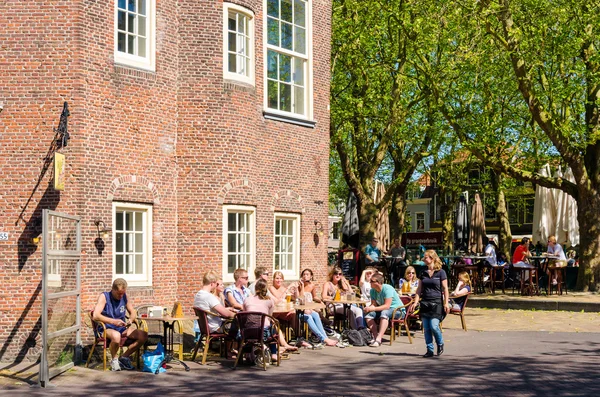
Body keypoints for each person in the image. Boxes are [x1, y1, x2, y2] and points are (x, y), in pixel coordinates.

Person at [93, 278, 148, 371]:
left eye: (123, 293)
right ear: (113, 289)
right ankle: (114, 360)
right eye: (119, 294)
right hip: (107, 328)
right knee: (116, 336)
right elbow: (95, 315)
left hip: (122, 328)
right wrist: (113, 321)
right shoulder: (104, 296)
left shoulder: (124, 296)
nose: (121, 296)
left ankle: (123, 358)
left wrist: (130, 319)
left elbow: (133, 311)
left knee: (143, 335)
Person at [243, 279, 299, 361]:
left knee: (267, 325)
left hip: (247, 333)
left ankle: (248, 353)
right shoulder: (269, 301)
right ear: (266, 289)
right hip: (263, 333)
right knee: (273, 325)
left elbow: (244, 314)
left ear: (255, 289)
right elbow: (269, 317)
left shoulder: (247, 299)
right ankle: (273, 353)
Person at [411, 250, 449, 358]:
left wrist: (446, 303)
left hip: (437, 302)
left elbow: (445, 288)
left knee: (434, 326)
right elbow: (419, 289)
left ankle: (440, 342)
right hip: (425, 302)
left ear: (432, 258)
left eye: (426, 257)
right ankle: (429, 349)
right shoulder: (423, 273)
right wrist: (415, 302)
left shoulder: (441, 272)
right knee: (426, 328)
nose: (424, 259)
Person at [193, 271, 237, 357]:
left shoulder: (198, 295)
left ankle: (229, 350)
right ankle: (233, 351)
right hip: (216, 327)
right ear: (212, 283)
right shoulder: (209, 297)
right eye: (216, 283)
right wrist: (238, 315)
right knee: (240, 325)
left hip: (205, 327)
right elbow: (226, 314)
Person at [294, 268, 338, 347]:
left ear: (311, 276)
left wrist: (320, 301)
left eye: (307, 274)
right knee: (309, 317)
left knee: (316, 314)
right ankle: (323, 338)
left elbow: (314, 297)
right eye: (304, 274)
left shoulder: (312, 285)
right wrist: (302, 286)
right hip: (300, 311)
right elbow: (301, 298)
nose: (305, 276)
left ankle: (325, 338)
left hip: (309, 308)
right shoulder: (299, 286)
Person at [363, 273, 404, 347]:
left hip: (398, 310)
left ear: (378, 282)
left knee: (384, 313)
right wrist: (369, 308)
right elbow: (374, 304)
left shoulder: (387, 288)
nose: (370, 282)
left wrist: (374, 308)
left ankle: (379, 339)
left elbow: (387, 306)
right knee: (368, 315)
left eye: (372, 281)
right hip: (383, 309)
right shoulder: (372, 291)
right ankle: (375, 337)